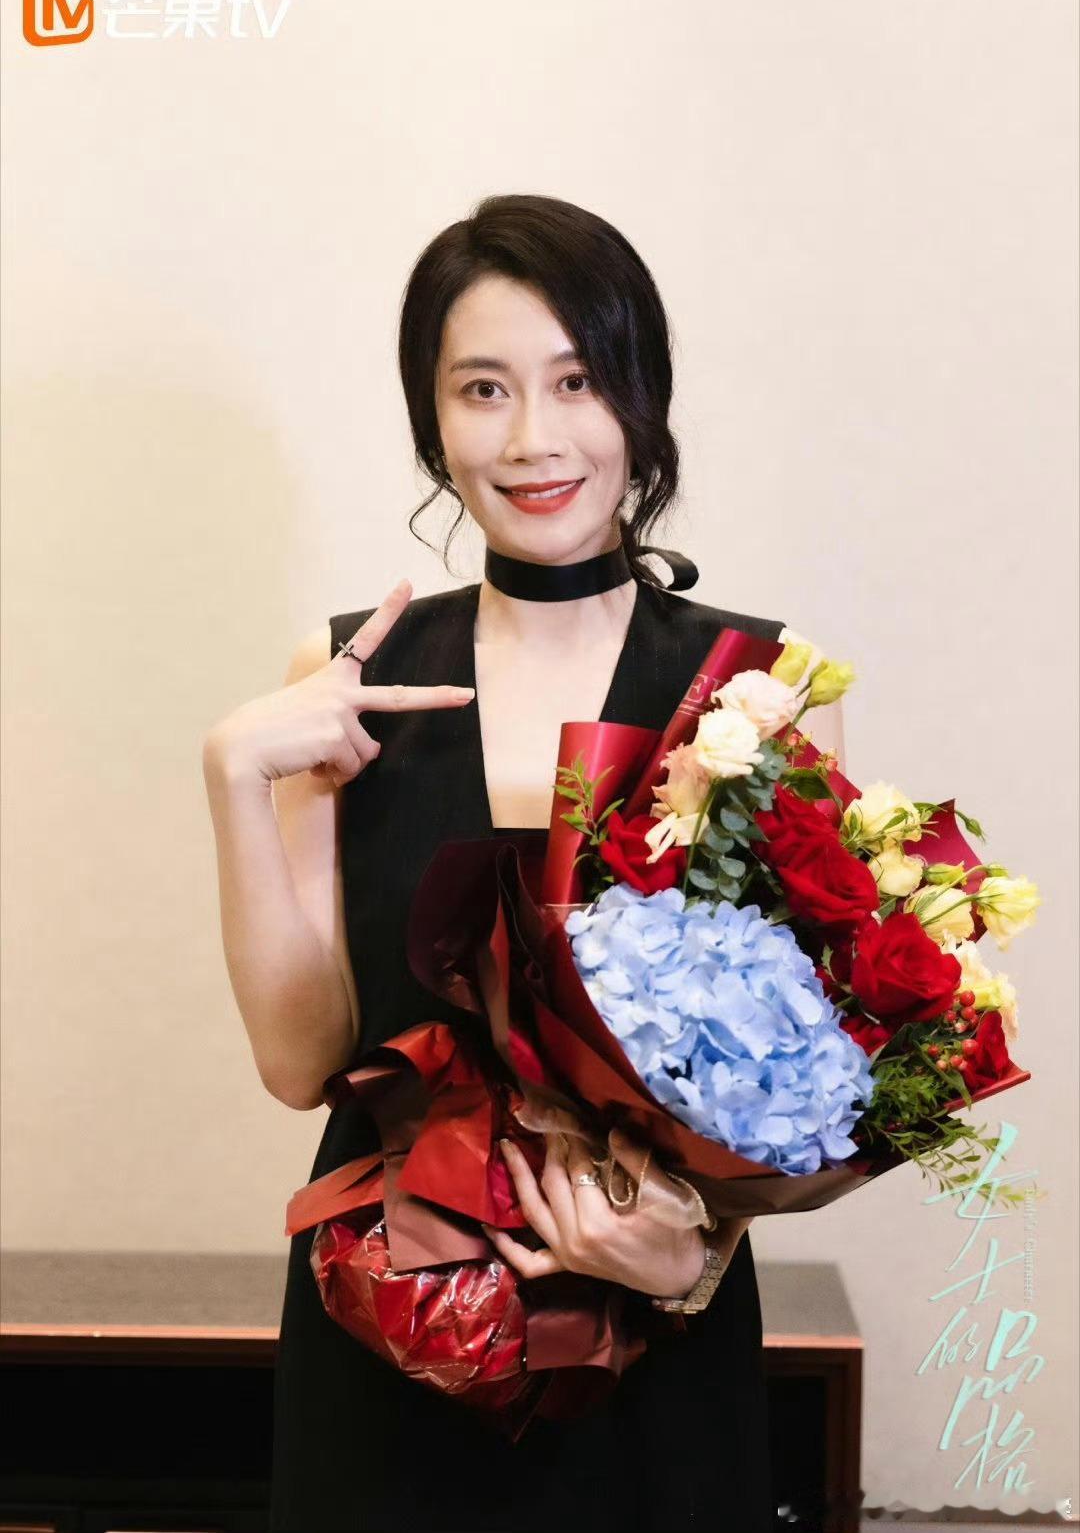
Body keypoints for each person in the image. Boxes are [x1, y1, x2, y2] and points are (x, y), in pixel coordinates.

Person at [202, 194, 828, 1531]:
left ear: (642, 400)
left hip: (655, 1356)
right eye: (483, 389)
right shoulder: (350, 677)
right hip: (392, 1327)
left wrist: (691, 1249)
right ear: (432, 419)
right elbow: (301, 1065)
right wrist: (235, 783)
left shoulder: (761, 689)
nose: (534, 437)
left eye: (578, 381)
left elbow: (811, 1084)